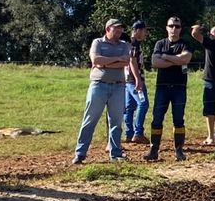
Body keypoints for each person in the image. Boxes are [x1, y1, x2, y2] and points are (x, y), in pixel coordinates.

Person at [73, 18, 131, 164]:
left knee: (116, 122)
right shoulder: (97, 42)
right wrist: (116, 60)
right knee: (90, 120)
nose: (119, 31)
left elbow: (126, 61)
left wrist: (106, 63)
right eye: (116, 28)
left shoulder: (124, 45)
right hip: (98, 85)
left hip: (118, 86)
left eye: (121, 29)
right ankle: (80, 153)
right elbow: (96, 60)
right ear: (107, 29)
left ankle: (115, 153)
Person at [144, 16, 192, 161]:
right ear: (166, 27)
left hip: (179, 87)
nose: (174, 29)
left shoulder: (185, 43)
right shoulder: (160, 43)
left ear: (180, 29)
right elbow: (155, 62)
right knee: (157, 119)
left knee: (178, 119)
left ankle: (179, 150)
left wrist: (165, 57)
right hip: (162, 87)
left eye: (177, 26)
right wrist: (175, 60)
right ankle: (154, 150)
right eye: (171, 26)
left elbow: (185, 59)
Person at [123, 18, 150, 143]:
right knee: (143, 104)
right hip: (134, 79)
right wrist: (138, 79)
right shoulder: (134, 44)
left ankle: (129, 133)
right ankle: (138, 132)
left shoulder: (127, 43)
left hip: (127, 79)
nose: (146, 33)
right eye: (145, 31)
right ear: (138, 30)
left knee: (129, 107)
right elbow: (132, 61)